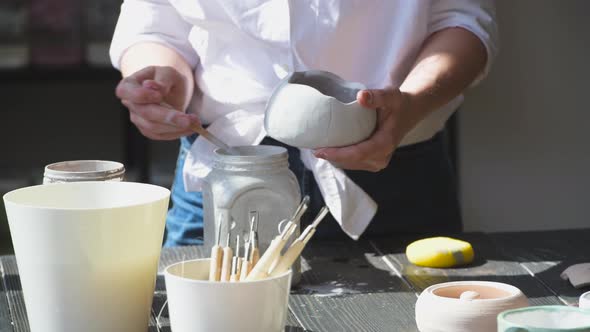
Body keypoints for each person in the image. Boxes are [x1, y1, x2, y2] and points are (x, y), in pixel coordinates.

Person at [110, 1, 498, 246]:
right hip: (224, 170)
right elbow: (155, 22)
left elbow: (461, 17)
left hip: (393, 167)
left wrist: (412, 103)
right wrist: (160, 82)